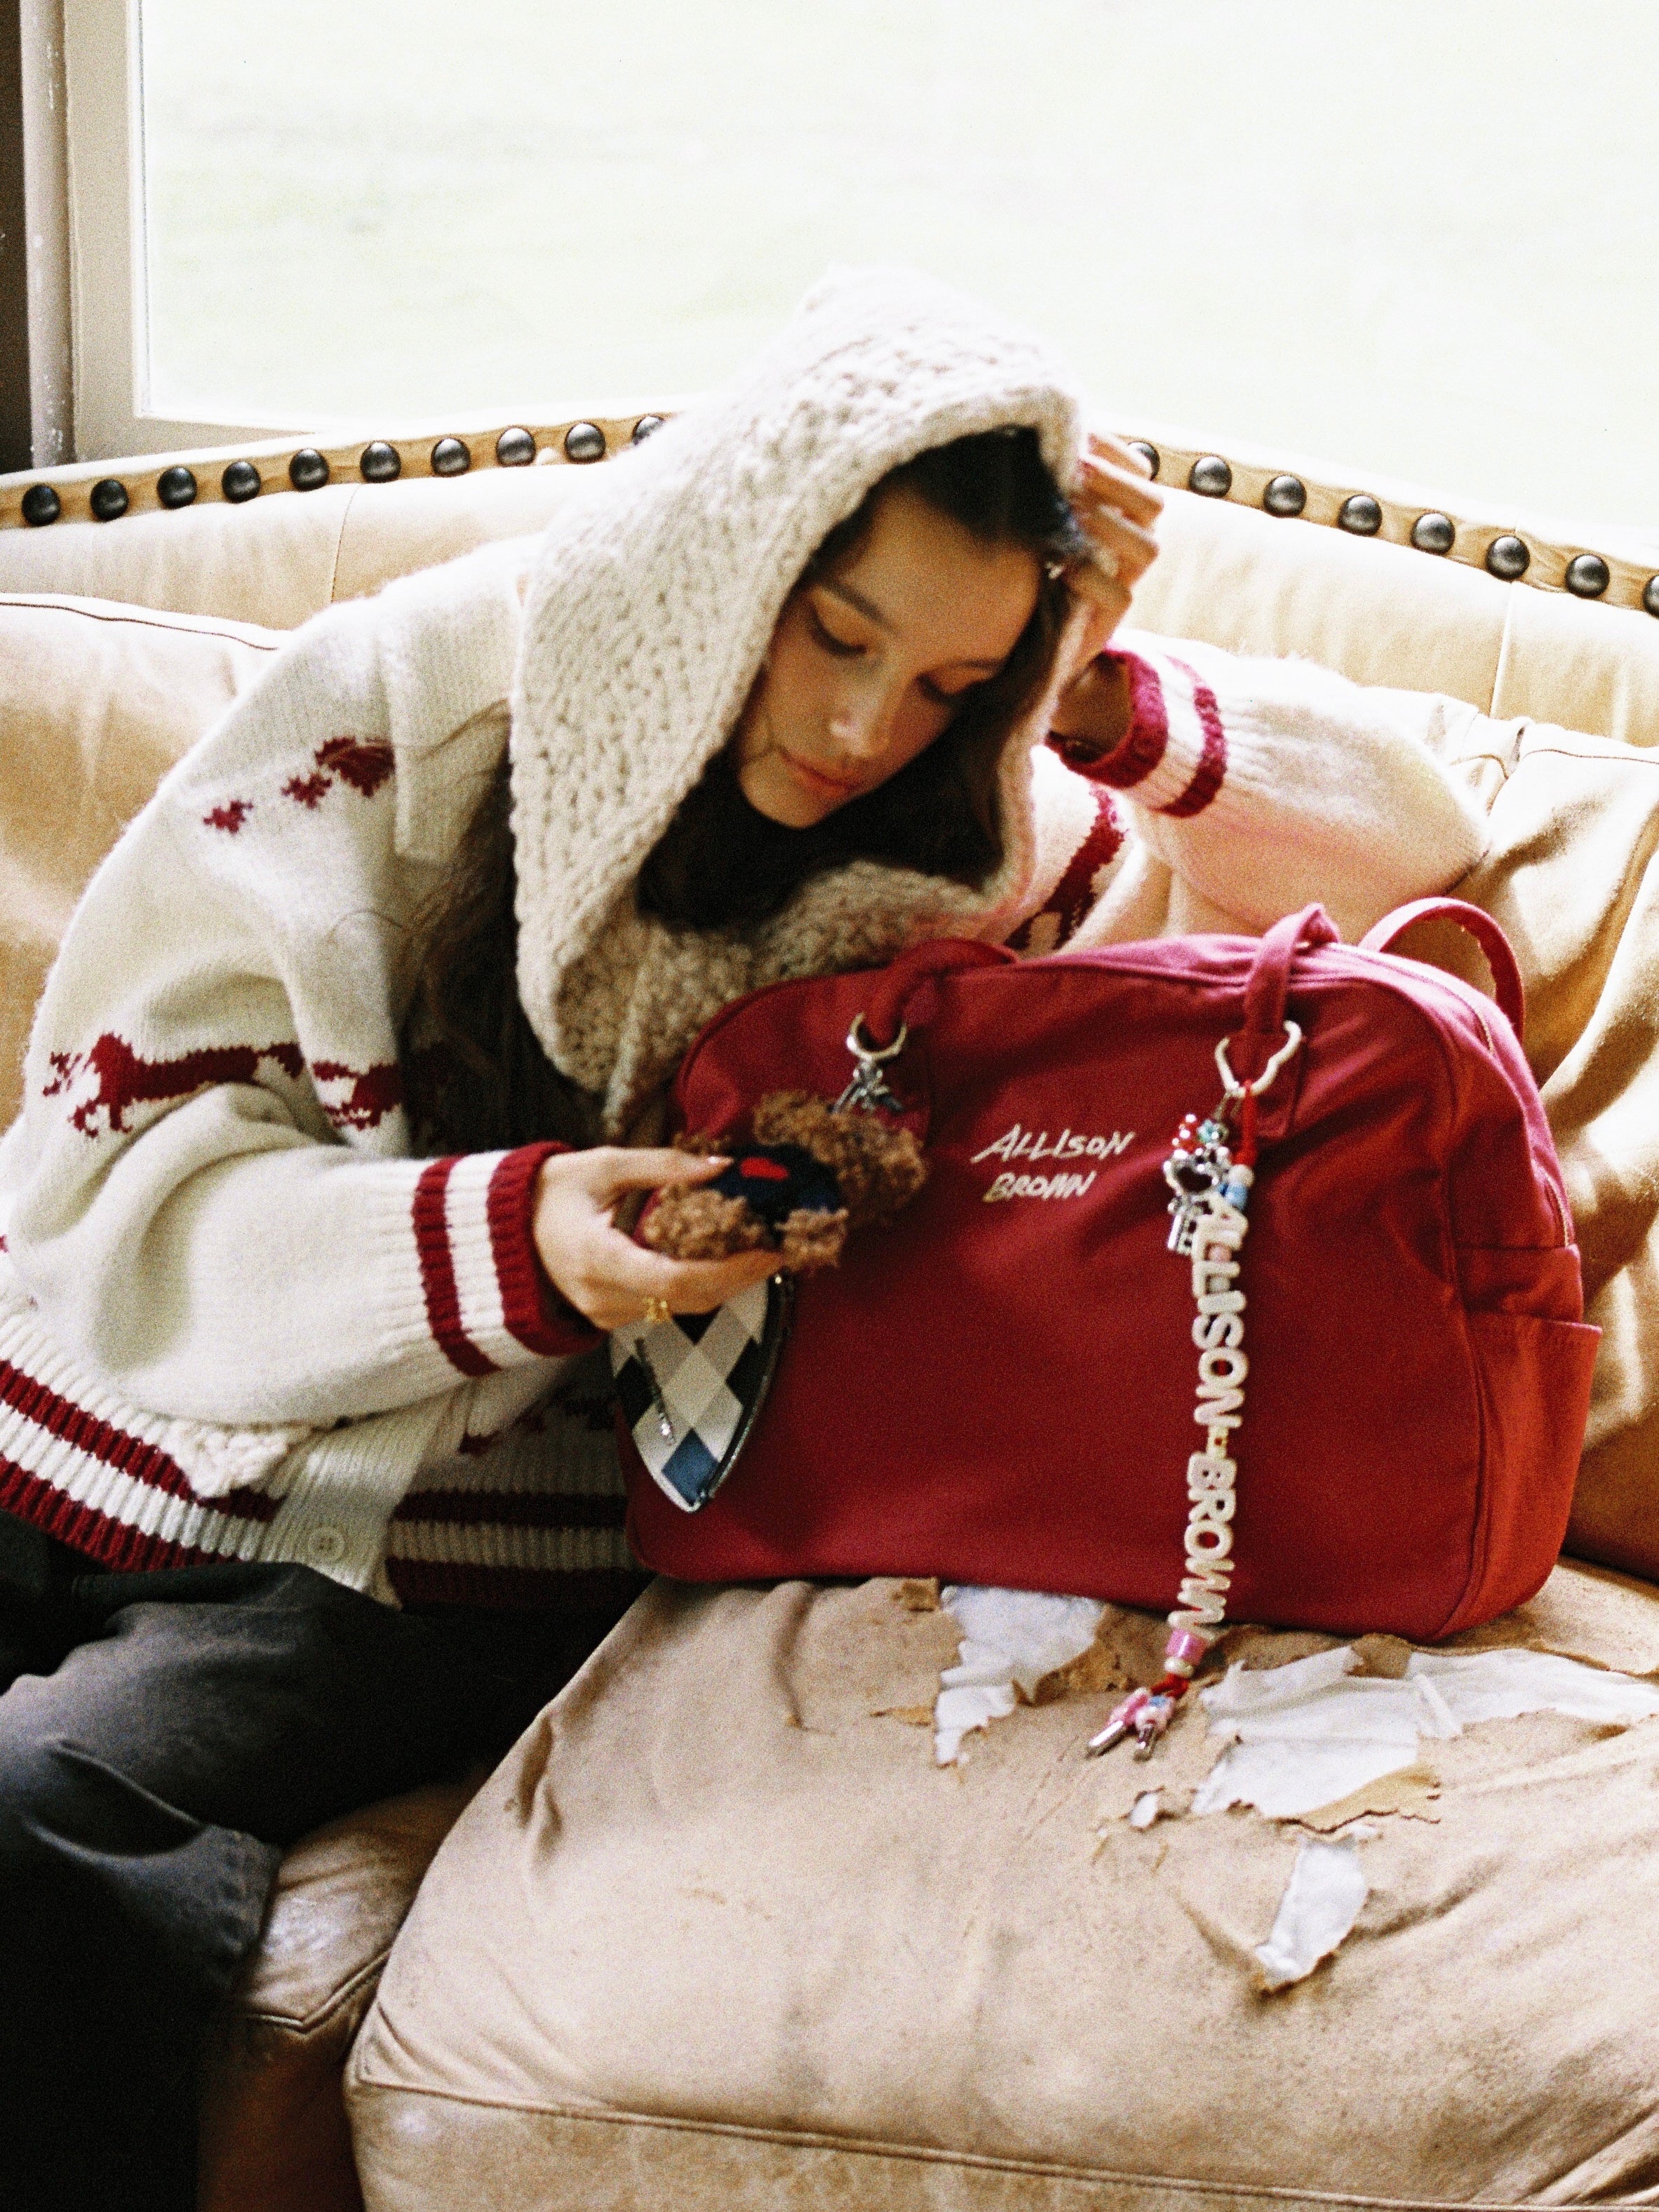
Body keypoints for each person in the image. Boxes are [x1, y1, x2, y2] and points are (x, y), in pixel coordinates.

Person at [0, 267, 1489, 2209]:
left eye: (946, 679)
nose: (868, 724)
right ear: (736, 547)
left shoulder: (968, 846)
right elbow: (112, 1188)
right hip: (82, 1416)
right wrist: (515, 1230)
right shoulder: (400, 707)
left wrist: (1086, 699)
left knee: (32, 1810)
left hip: (421, 1565)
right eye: (837, 632)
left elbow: (1416, 846)